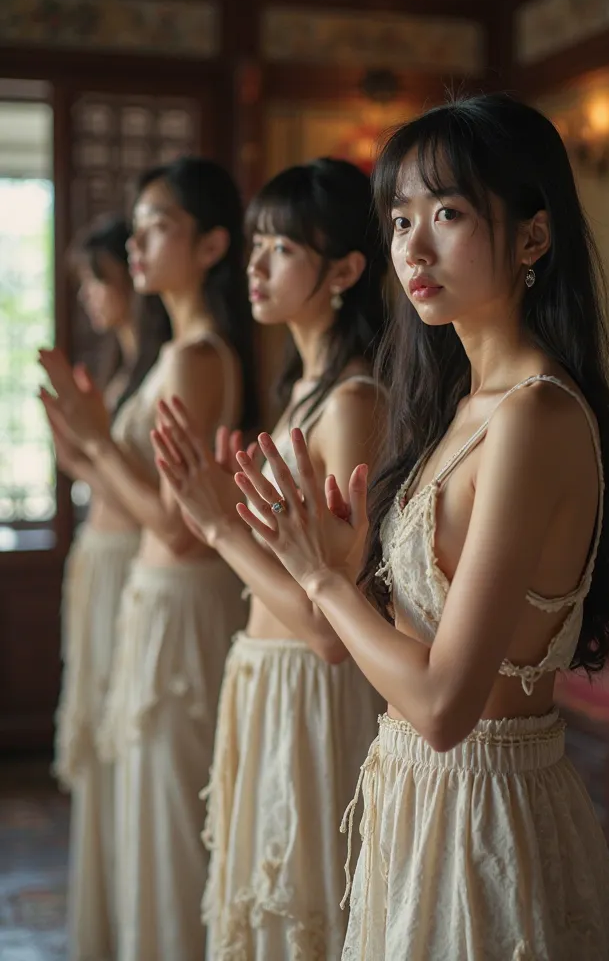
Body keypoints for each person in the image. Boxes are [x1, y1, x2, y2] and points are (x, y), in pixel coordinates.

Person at [232, 97, 609, 960]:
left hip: (486, 809)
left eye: (448, 214)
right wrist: (354, 574)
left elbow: (447, 705)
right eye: (400, 219)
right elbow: (406, 645)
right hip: (417, 794)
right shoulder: (459, 408)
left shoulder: (535, 416)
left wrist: (323, 582)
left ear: (533, 238)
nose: (412, 248)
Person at [151, 158, 387, 959]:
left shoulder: (353, 402)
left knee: (303, 920)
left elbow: (330, 627)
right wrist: (231, 513)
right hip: (266, 676)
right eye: (254, 244)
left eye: (280, 248)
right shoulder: (302, 388)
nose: (254, 266)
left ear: (347, 269)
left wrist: (219, 528)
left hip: (312, 691)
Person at [39, 157, 255, 961]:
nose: (136, 243)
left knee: (171, 819)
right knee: (145, 808)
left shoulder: (198, 357)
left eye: (157, 224)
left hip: (181, 596)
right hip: (154, 596)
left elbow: (174, 525)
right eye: (135, 226)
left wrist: (95, 441)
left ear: (210, 246)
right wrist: (86, 445)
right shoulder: (175, 354)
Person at [49, 215, 170, 961]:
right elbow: (104, 477)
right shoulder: (127, 371)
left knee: (127, 746)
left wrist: (91, 442)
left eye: (102, 279)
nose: (92, 294)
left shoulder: (168, 367)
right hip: (107, 557)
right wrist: (78, 444)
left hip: (137, 560)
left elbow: (144, 497)